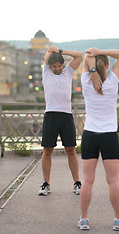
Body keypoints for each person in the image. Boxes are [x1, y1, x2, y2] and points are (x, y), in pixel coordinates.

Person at [77, 48, 119, 231]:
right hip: (109, 136)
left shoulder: (86, 81)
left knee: (87, 180)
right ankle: (118, 220)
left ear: (93, 66)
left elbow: (86, 56)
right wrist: (101, 51)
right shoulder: (113, 82)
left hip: (90, 134)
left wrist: (91, 70)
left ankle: (84, 219)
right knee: (113, 180)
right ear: (107, 65)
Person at [39, 46, 83, 196]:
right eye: (54, 66)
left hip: (66, 116)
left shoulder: (68, 72)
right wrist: (52, 51)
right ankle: (46, 184)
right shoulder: (46, 72)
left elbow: (79, 56)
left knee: (71, 150)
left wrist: (62, 52)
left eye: (59, 66)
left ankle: (77, 183)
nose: (57, 69)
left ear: (63, 65)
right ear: (50, 66)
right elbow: (48, 54)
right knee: (47, 151)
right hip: (51, 116)